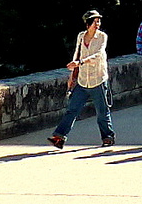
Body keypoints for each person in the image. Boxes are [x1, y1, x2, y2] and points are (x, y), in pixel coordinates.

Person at [48, 9, 115, 149]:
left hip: (98, 79)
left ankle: (108, 137)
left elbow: (98, 55)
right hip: (83, 80)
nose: (98, 24)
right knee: (72, 109)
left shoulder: (102, 37)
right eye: (95, 21)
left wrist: (80, 62)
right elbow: (76, 55)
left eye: (99, 21)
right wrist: (72, 76)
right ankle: (59, 136)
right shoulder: (81, 36)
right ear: (88, 23)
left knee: (102, 111)